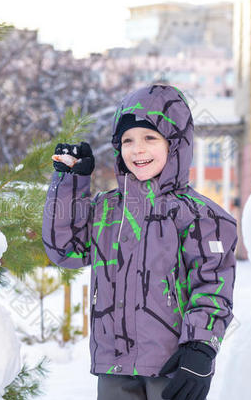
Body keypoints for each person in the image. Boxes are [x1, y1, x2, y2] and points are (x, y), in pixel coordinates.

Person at [42, 84, 237, 400]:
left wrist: (200, 347)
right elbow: (66, 249)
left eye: (150, 138)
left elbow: (212, 286)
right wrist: (70, 182)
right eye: (127, 141)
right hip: (114, 368)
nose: (137, 149)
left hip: (174, 368)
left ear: (175, 144)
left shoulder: (200, 215)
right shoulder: (107, 210)